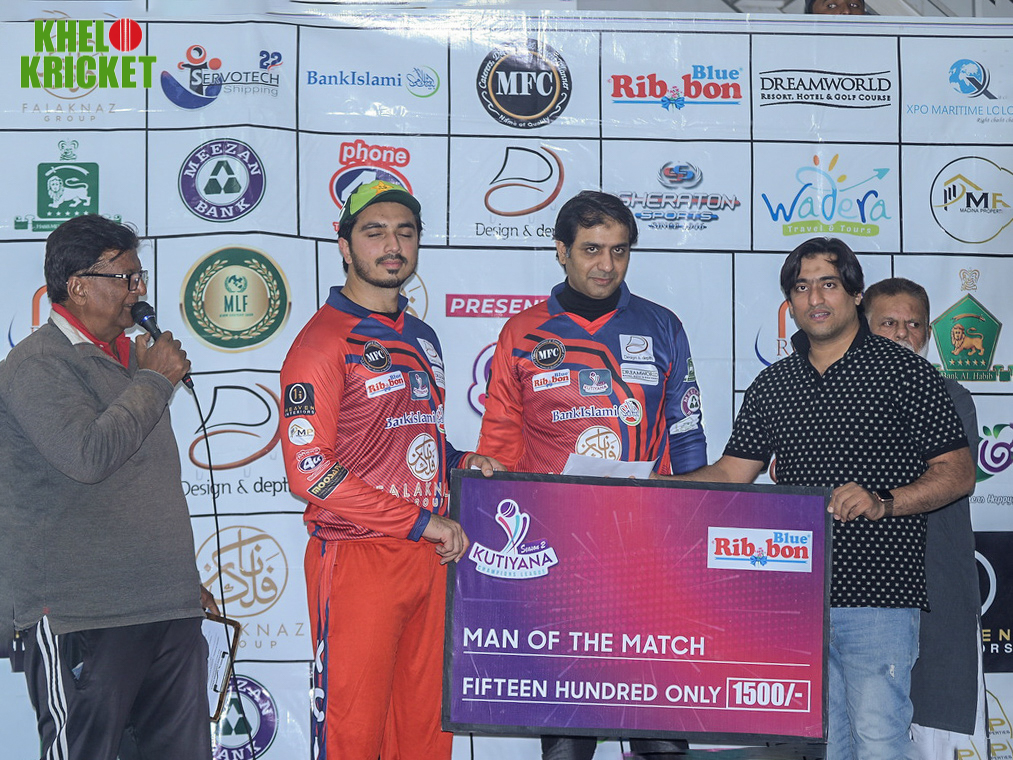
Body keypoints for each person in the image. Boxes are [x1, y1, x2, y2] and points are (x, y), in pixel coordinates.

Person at [654, 238, 975, 760]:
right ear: (790, 302)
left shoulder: (907, 374)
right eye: (802, 287)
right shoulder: (773, 384)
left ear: (855, 294)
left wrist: (884, 501)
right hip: (797, 596)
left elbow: (957, 474)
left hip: (879, 594)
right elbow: (732, 473)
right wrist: (645, 489)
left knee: (879, 740)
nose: (815, 298)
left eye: (828, 284)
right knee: (826, 746)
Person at [476, 190, 708, 759]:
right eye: (591, 249)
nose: (606, 265)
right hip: (556, 559)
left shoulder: (662, 326)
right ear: (561, 250)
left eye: (619, 251)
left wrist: (696, 528)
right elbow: (499, 452)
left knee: (660, 735)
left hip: (648, 555)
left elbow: (687, 435)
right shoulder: (522, 334)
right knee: (567, 743)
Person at [279, 179, 502, 760]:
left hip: (431, 554)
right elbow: (309, 472)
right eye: (374, 232)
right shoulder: (322, 341)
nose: (392, 245)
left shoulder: (422, 335)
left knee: (426, 735)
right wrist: (418, 522)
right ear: (345, 246)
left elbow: (414, 441)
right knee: (352, 735)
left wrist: (462, 462)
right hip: (359, 555)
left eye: (405, 232)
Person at [0, 214, 214, 760]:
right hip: (83, 615)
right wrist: (154, 380)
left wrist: (177, 578)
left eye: (139, 278)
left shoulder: (131, 359)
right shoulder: (36, 364)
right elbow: (88, 456)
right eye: (126, 278)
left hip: (166, 606)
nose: (138, 291)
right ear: (77, 286)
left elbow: (140, 484)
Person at [864, 277, 987, 760]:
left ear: (929, 334)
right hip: (862, 595)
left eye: (914, 324)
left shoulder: (951, 397)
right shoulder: (837, 395)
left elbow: (942, 477)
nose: (902, 333)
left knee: (929, 733)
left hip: (934, 589)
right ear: (863, 328)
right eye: (888, 323)